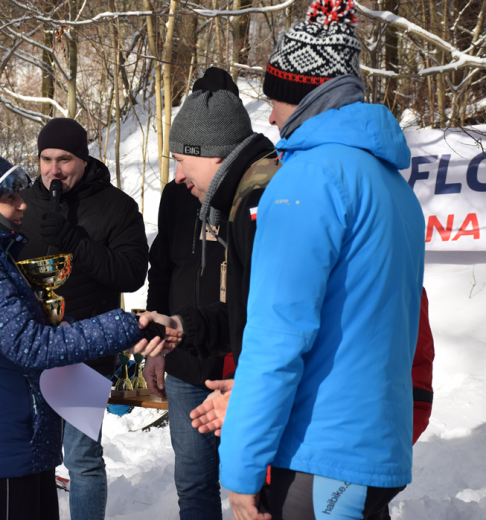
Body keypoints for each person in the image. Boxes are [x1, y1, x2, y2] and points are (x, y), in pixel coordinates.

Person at [188, 2, 425, 518]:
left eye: (274, 99)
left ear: (302, 97)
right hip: (373, 448)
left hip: (322, 453)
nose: (269, 116)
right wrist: (250, 392)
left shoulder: (307, 181)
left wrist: (241, 470)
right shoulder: (389, 183)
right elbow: (356, 326)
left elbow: (279, 332)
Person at [0, 139, 149, 520]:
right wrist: (125, 325)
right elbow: (30, 346)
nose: (22, 204)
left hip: (24, 441)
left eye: (19, 193)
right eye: (9, 197)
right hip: (0, 447)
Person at [142, 67, 276, 519]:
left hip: (240, 366)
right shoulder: (179, 193)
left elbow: (275, 315)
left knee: (252, 488)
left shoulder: (256, 204)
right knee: (194, 480)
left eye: (184, 159)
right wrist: (165, 337)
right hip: (188, 358)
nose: (179, 173)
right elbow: (160, 267)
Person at [17, 118, 148, 520]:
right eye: (46, 159)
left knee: (81, 458)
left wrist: (75, 242)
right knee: (28, 454)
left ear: (84, 159)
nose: (53, 170)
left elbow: (131, 273)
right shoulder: (21, 202)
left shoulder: (117, 206)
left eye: (65, 160)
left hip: (86, 351)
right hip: (27, 347)